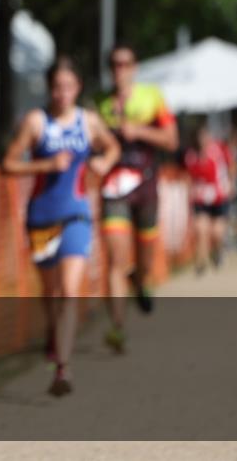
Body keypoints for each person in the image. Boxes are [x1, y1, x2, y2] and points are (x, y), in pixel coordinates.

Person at [2, 56, 119, 396]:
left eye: (68, 87)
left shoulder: (89, 121)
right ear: (50, 88)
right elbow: (9, 164)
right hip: (41, 217)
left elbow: (113, 147)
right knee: (51, 294)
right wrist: (46, 164)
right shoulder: (37, 122)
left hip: (77, 214)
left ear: (78, 88)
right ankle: (55, 335)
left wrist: (103, 162)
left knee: (69, 291)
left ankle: (63, 368)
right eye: (57, 87)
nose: (62, 93)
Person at [95, 44, 178, 353]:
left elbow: (172, 140)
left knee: (144, 258)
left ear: (134, 67)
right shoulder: (100, 102)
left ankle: (141, 282)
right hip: (114, 186)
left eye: (125, 63)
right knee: (116, 260)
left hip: (146, 184)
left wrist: (139, 131)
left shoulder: (152, 97)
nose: (120, 69)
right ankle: (117, 327)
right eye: (114, 64)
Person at [183, 124, 235, 275]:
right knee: (201, 229)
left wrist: (231, 183)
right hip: (201, 199)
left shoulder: (219, 150)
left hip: (219, 197)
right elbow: (189, 176)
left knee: (216, 232)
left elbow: (231, 165)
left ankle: (217, 252)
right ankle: (200, 262)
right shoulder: (191, 155)